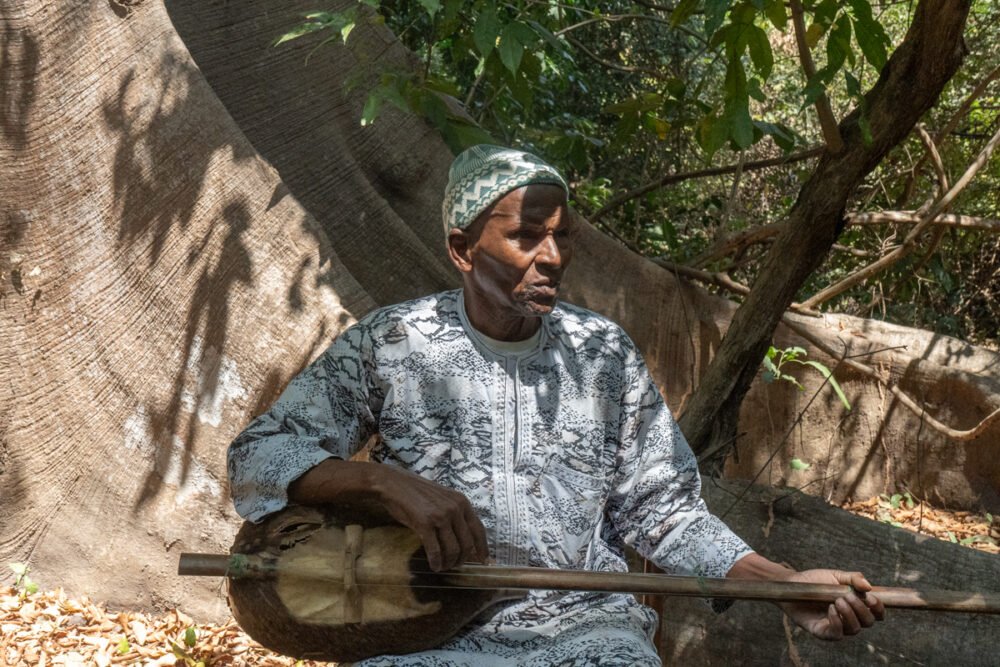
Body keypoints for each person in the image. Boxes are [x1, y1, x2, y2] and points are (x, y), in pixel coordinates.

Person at [227, 145, 884, 666]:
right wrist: (381, 480)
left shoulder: (603, 353)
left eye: (563, 236)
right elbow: (258, 455)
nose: (552, 257)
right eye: (526, 236)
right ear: (462, 248)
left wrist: (784, 584)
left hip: (586, 631)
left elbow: (667, 512)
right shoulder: (392, 341)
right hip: (424, 636)